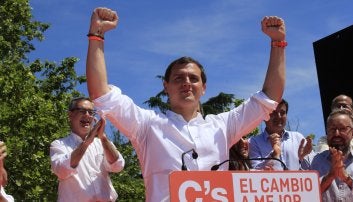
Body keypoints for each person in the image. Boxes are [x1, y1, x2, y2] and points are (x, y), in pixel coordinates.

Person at [86, 7, 286, 201]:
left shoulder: (223, 126)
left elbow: (270, 97)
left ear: (204, 87)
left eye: (193, 78)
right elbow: (100, 93)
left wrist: (278, 43)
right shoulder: (146, 125)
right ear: (166, 86)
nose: (187, 84)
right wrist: (97, 35)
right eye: (179, 78)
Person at [50, 97, 125, 202]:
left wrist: (102, 137)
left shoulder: (102, 143)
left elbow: (118, 166)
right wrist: (86, 143)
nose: (87, 115)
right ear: (70, 115)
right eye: (82, 111)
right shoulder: (59, 144)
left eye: (91, 112)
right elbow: (62, 171)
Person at [301, 109, 353, 201]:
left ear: (352, 133)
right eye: (332, 129)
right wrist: (330, 176)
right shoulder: (310, 161)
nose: (336, 133)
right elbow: (303, 197)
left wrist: (347, 178)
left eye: (342, 128)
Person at [248, 99, 313, 170]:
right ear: (264, 116)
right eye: (274, 113)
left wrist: (302, 158)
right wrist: (273, 155)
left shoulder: (298, 138)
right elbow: (255, 172)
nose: (279, 116)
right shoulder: (253, 142)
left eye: (282, 113)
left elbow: (313, 168)